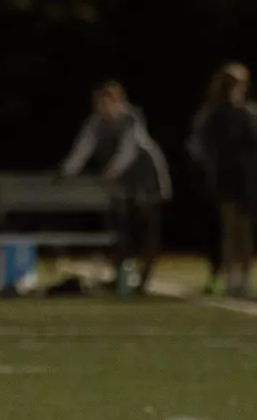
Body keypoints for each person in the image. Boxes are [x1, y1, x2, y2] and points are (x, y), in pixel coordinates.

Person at [59, 81, 172, 294]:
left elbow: (128, 150)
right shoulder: (95, 123)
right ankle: (121, 273)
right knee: (122, 226)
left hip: (145, 175)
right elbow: (83, 148)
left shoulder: (131, 119)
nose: (102, 107)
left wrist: (113, 170)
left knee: (146, 226)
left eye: (107, 101)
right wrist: (67, 171)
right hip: (123, 181)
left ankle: (144, 276)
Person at [187, 64, 257, 296]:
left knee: (244, 230)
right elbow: (197, 144)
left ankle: (243, 278)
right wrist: (210, 163)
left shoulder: (247, 112)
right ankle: (230, 277)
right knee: (229, 228)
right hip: (225, 176)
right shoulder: (213, 113)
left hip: (246, 177)